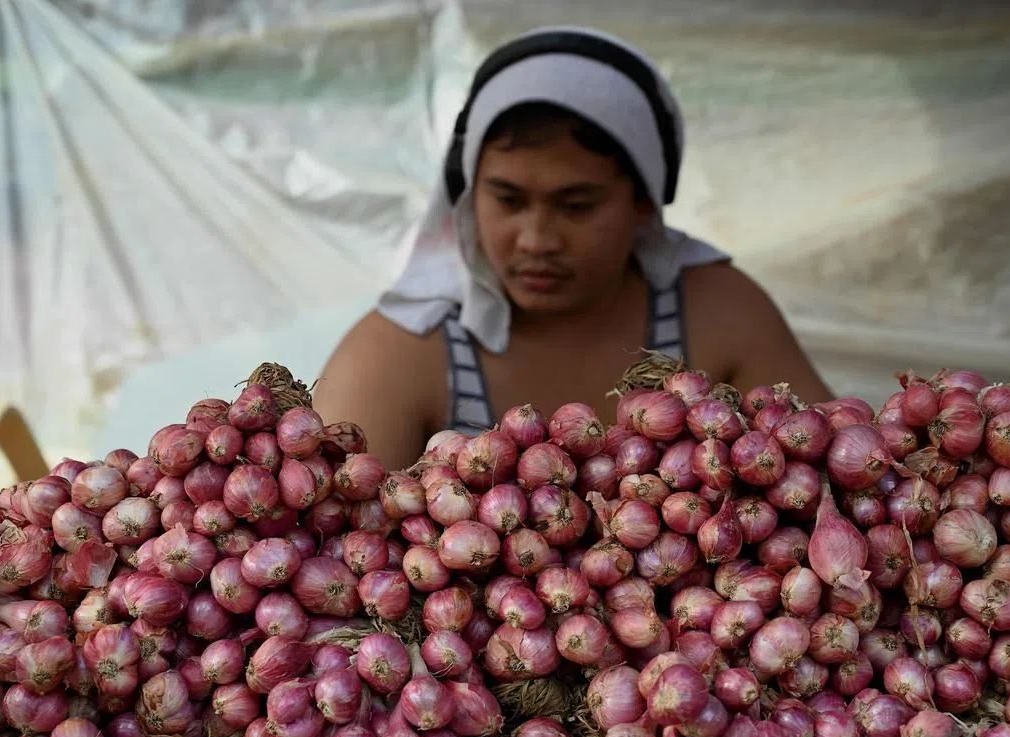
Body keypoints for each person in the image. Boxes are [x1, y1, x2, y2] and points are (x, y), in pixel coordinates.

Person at [315, 27, 832, 470]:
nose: (537, 240)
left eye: (577, 206)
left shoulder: (720, 313)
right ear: (470, 197)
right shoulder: (402, 353)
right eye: (508, 200)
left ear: (644, 203)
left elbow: (833, 464)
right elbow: (327, 535)